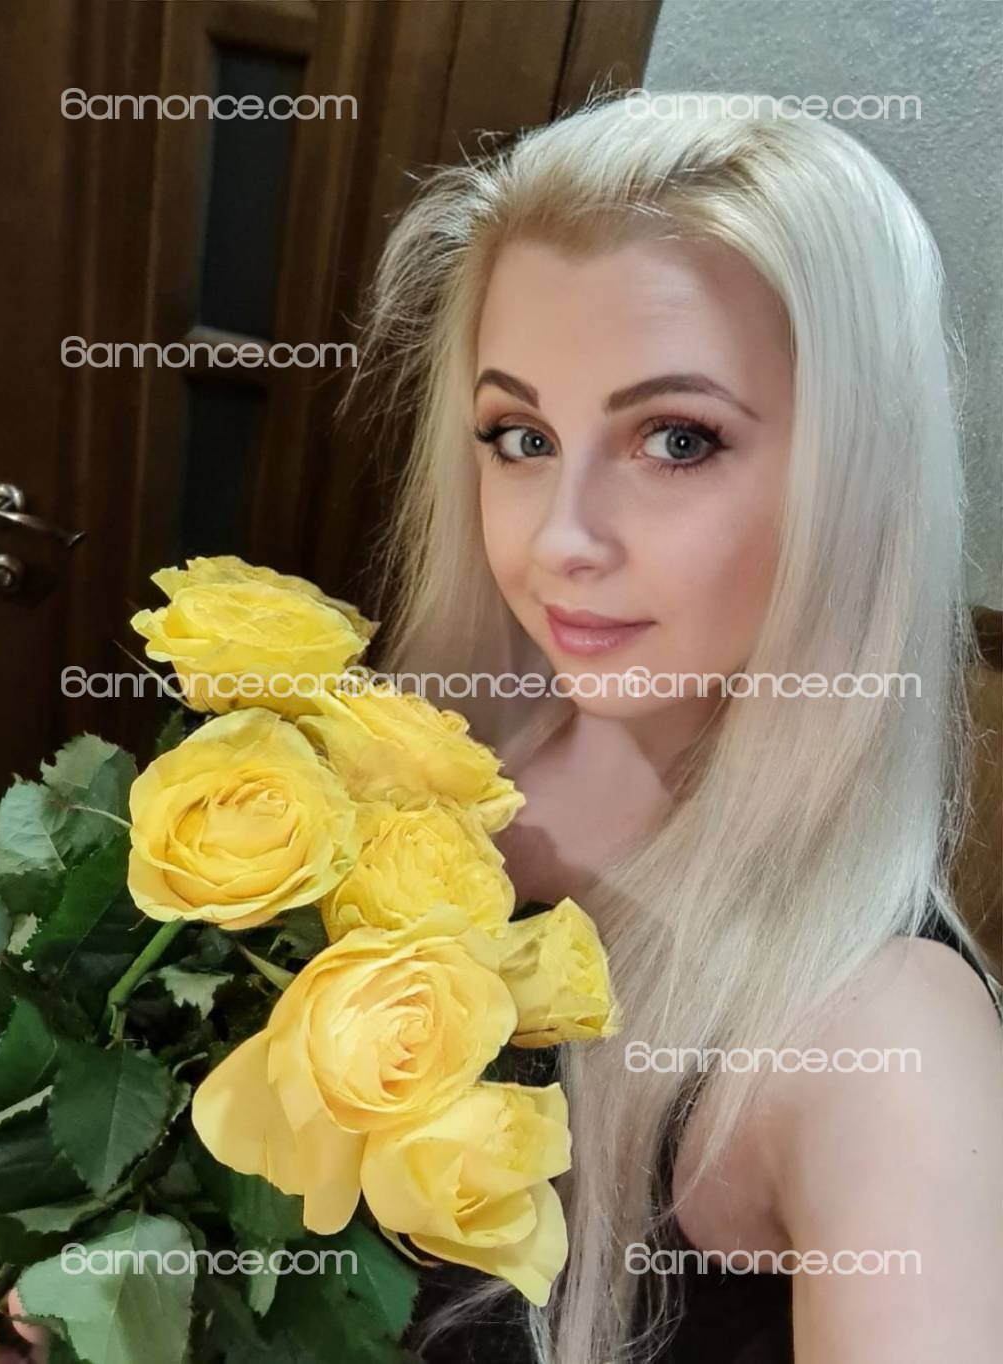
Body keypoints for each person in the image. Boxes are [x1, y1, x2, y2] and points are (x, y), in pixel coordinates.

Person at [341, 90, 1003, 1363]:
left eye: (677, 439)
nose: (561, 538)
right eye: (520, 436)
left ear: (850, 482)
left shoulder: (886, 1045)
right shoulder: (434, 758)